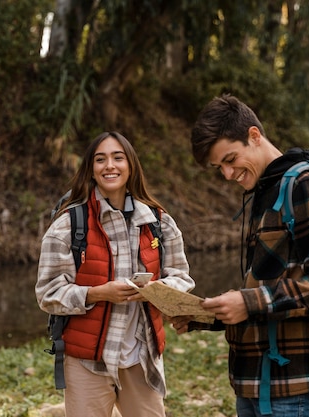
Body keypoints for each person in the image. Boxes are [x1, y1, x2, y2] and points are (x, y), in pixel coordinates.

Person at [171, 94, 309, 417]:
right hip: (253, 383)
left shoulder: (308, 184)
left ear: (254, 136)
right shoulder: (266, 191)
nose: (227, 174)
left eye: (230, 159)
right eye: (219, 168)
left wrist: (248, 303)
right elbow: (262, 293)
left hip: (294, 385)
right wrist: (204, 316)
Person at [36, 131, 195, 417]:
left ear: (130, 165)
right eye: (101, 159)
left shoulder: (159, 222)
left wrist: (155, 290)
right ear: (91, 170)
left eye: (118, 157)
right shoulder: (68, 225)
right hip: (86, 360)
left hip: (141, 357)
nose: (110, 165)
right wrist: (98, 293)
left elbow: (181, 278)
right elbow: (47, 294)